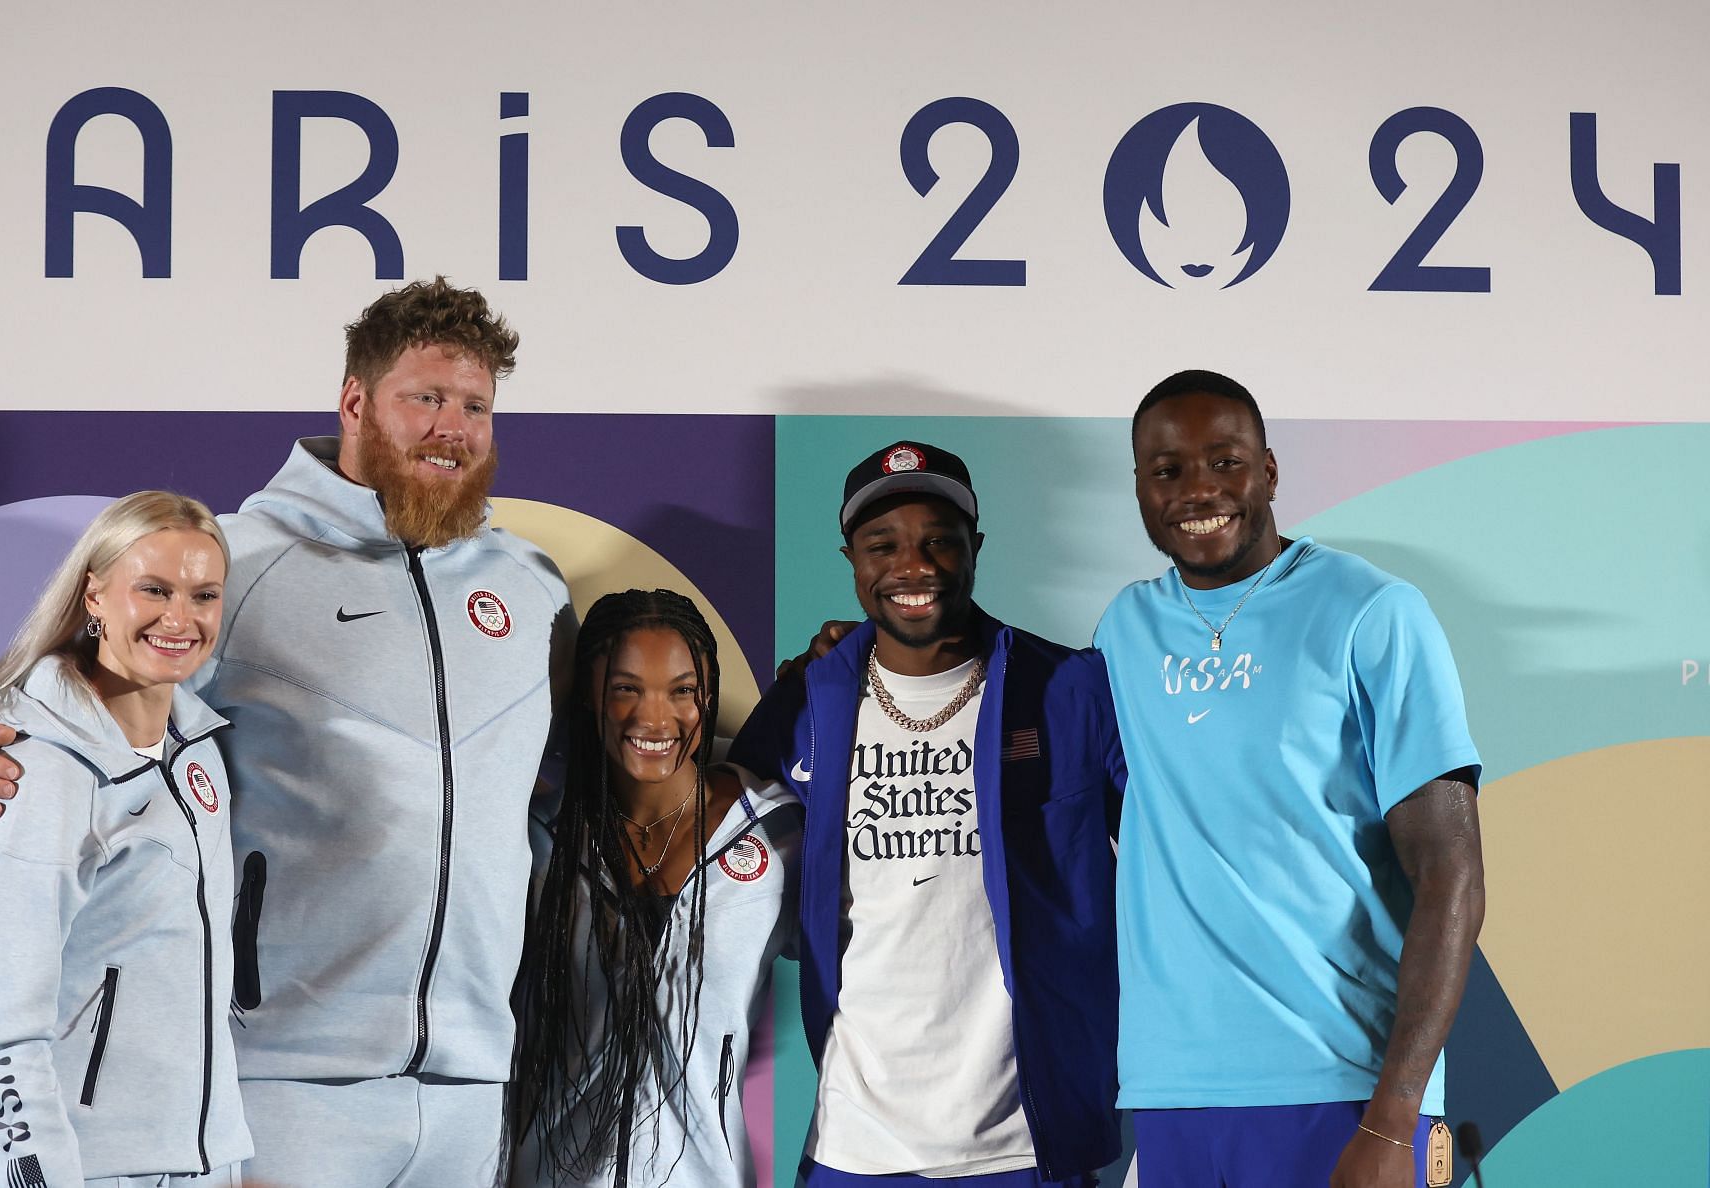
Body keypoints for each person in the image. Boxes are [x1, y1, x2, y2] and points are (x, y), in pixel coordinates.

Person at [0, 279, 573, 1187]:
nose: (452, 427)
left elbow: (577, 782)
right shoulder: (244, 562)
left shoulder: (532, 586)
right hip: (287, 1083)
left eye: (475, 406)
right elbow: (93, 688)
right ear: (356, 401)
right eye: (424, 398)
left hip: (473, 1086)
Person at [1096, 370, 1485, 1188]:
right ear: (1138, 488)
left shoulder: (1374, 612)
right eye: (1167, 471)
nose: (1199, 489)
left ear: (1268, 471)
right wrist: (852, 660)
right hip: (1174, 1089)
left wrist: (1393, 1121)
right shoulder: (1123, 629)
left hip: (1341, 1089)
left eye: (1225, 462)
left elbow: (1451, 877)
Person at [733, 441, 1126, 1188]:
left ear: (975, 548)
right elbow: (714, 837)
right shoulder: (803, 704)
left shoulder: (1070, 689)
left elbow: (1172, 843)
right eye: (883, 545)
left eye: (939, 541)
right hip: (856, 1141)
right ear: (850, 557)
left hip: (1025, 1144)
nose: (913, 566)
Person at [0, 491, 250, 1188]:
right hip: (83, 1170)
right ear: (95, 595)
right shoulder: (35, 768)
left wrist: (227, 1161)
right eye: (154, 589)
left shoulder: (199, 748)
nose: (181, 617)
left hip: (201, 1164)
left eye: (203, 595)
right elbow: (2, 1033)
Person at [514, 589, 800, 1188]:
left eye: (681, 690)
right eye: (625, 688)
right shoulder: (536, 832)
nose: (655, 718)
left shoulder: (776, 833)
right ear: (586, 695)